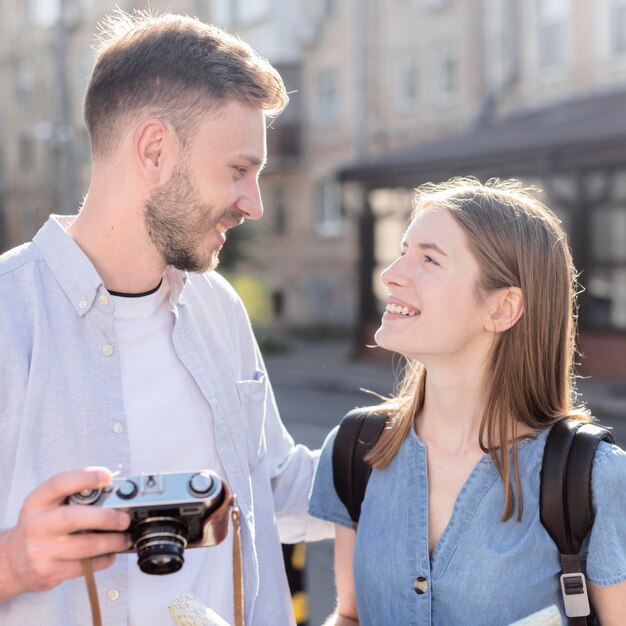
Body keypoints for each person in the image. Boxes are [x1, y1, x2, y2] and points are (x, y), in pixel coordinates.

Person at [0, 10, 330, 626]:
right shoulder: (6, 315)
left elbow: (275, 487)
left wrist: (449, 433)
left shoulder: (218, 306)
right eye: (239, 170)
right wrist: (13, 563)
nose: (253, 204)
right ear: (154, 150)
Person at [309, 178, 626, 625]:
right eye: (403, 250)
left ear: (502, 309)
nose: (391, 273)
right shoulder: (357, 448)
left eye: (429, 259)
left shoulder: (593, 478)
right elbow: (351, 617)